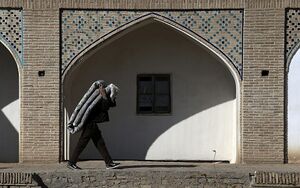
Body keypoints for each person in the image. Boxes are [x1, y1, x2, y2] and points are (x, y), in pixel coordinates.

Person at [67, 81, 120, 170]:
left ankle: (109, 163)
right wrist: (103, 95)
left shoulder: (101, 97)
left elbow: (111, 104)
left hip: (92, 123)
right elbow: (105, 107)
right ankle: (71, 162)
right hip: (90, 123)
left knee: (100, 143)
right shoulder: (99, 97)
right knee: (82, 143)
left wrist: (110, 96)